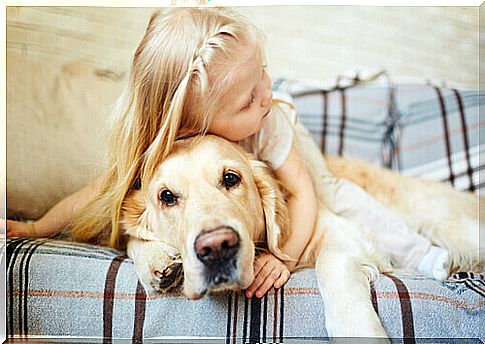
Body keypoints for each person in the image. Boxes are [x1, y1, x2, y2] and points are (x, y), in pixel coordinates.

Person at [6, 8, 449, 299]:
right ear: (201, 122)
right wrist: (36, 225)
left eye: (264, 75)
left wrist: (283, 257)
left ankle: (420, 253)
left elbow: (303, 194)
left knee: (344, 198)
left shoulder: (269, 119)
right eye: (246, 99)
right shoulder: (168, 148)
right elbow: (99, 194)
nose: (267, 95)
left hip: (308, 175)